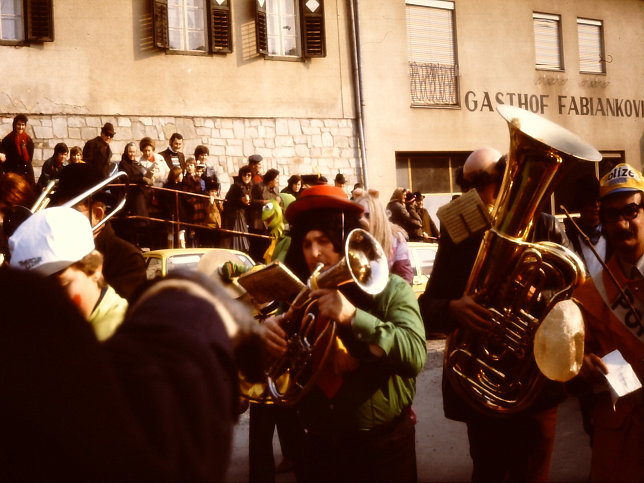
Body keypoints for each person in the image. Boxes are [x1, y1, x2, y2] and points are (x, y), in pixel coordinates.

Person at [417, 147, 570, 482]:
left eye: (482, 181)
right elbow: (428, 305)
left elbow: (575, 292)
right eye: (465, 183)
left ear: (506, 179)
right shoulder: (460, 234)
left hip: (536, 380)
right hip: (483, 389)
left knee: (533, 471)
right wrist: (453, 309)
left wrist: (537, 296)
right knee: (488, 471)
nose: (472, 193)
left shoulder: (544, 225)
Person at [262, 184, 427, 483]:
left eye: (323, 241)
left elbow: (414, 356)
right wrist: (269, 335)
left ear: (344, 241)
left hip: (383, 449)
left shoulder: (391, 290)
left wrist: (353, 317)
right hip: (317, 448)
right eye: (306, 243)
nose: (314, 253)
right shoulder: (300, 299)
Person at [572, 163, 643, 483]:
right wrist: (581, 367)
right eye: (612, 214)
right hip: (619, 446)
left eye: (631, 211)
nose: (623, 223)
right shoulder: (589, 294)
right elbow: (572, 369)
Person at [9, 206, 128, 341]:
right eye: (35, 293)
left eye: (61, 285)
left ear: (95, 268)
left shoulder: (125, 337)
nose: (50, 302)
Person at [50, 163, 147, 302]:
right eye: (60, 210)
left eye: (71, 211)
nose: (62, 218)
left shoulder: (127, 259)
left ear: (98, 214)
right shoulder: (55, 252)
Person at [354, 190, 414, 284]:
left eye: (368, 215)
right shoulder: (351, 237)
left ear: (378, 216)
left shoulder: (395, 238)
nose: (362, 220)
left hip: (387, 294)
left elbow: (405, 276)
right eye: (358, 216)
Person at [563, 174, 612, 277]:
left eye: (599, 200)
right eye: (590, 201)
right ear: (581, 204)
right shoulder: (568, 238)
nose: (596, 205)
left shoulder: (612, 234)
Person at [249, 168, 282, 262]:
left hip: (270, 222)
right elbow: (252, 202)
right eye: (276, 178)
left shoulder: (276, 189)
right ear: (271, 179)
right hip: (258, 222)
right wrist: (263, 202)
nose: (277, 181)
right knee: (257, 247)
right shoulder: (259, 187)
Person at [221, 165, 253, 253]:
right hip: (233, 216)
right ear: (241, 176)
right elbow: (229, 200)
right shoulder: (236, 186)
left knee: (243, 240)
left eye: (249, 175)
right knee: (231, 241)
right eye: (244, 175)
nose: (246, 177)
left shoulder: (251, 187)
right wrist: (241, 200)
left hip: (243, 216)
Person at [1, 114, 35, 186]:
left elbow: (29, 160)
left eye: (23, 125)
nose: (21, 127)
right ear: (14, 125)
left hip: (26, 174)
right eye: (19, 124)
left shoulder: (28, 141)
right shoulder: (7, 140)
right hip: (13, 176)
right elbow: (3, 161)